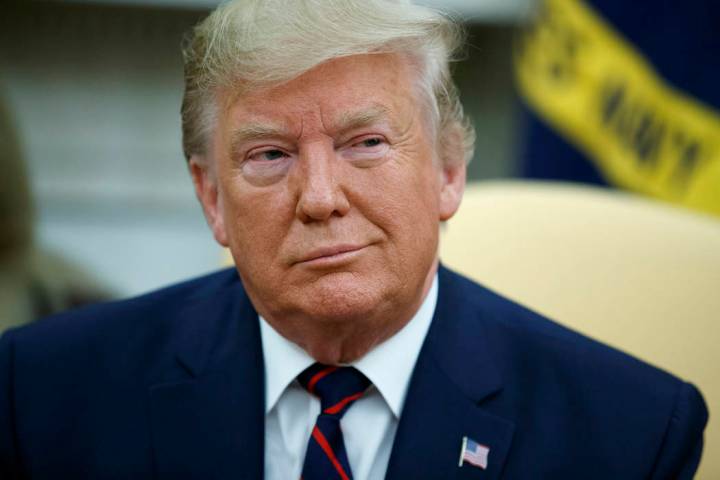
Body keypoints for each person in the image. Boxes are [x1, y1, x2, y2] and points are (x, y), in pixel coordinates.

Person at [0, 1, 707, 478]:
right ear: (212, 198)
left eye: (365, 143)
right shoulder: (40, 398)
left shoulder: (630, 434)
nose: (319, 198)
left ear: (449, 171)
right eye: (270, 155)